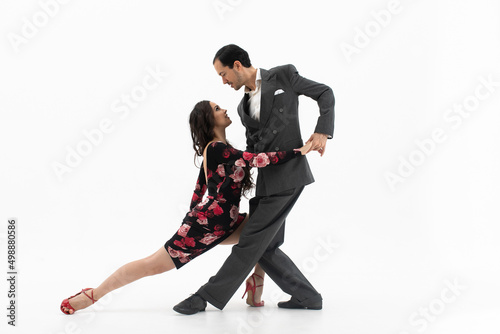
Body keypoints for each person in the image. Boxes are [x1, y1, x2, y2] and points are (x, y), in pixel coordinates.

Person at [60, 100, 312, 315]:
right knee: (150, 265)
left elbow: (199, 190)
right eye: (217, 108)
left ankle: (255, 286)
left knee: (264, 234)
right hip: (208, 225)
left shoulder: (217, 150)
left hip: (226, 222)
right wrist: (299, 151)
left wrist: (190, 214)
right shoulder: (216, 148)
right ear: (208, 118)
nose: (224, 110)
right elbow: (257, 160)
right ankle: (93, 294)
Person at [173, 44, 335, 314]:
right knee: (266, 246)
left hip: (289, 174)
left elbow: (325, 93)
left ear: (237, 65)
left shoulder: (283, 76)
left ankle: (205, 297)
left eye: (223, 74)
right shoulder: (241, 106)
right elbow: (253, 150)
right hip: (266, 180)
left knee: (249, 240)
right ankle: (307, 296)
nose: (223, 81)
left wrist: (322, 131)